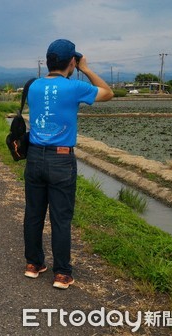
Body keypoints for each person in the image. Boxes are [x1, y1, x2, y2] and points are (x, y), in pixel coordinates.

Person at [23, 39, 114, 289]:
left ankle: (33, 264)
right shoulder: (74, 87)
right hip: (61, 158)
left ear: (48, 61)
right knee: (61, 218)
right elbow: (108, 93)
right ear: (72, 62)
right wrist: (86, 69)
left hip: (34, 156)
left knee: (33, 214)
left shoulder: (33, 86)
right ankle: (62, 273)